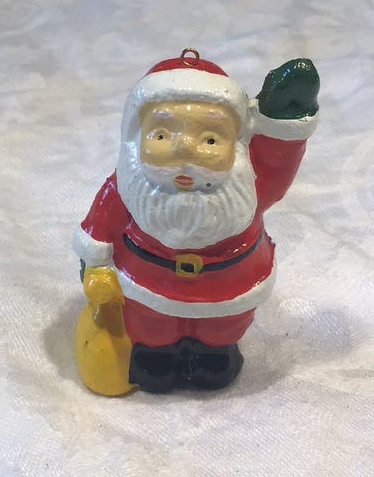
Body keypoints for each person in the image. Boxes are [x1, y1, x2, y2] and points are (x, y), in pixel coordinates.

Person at [73, 49, 319, 393]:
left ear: (237, 143)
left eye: (210, 139)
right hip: (148, 282)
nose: (184, 154)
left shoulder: (246, 185)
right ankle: (155, 355)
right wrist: (96, 266)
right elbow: (99, 231)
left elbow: (277, 162)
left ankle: (213, 355)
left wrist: (283, 116)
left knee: (221, 328)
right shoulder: (129, 185)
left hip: (229, 284)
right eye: (162, 136)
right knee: (151, 325)